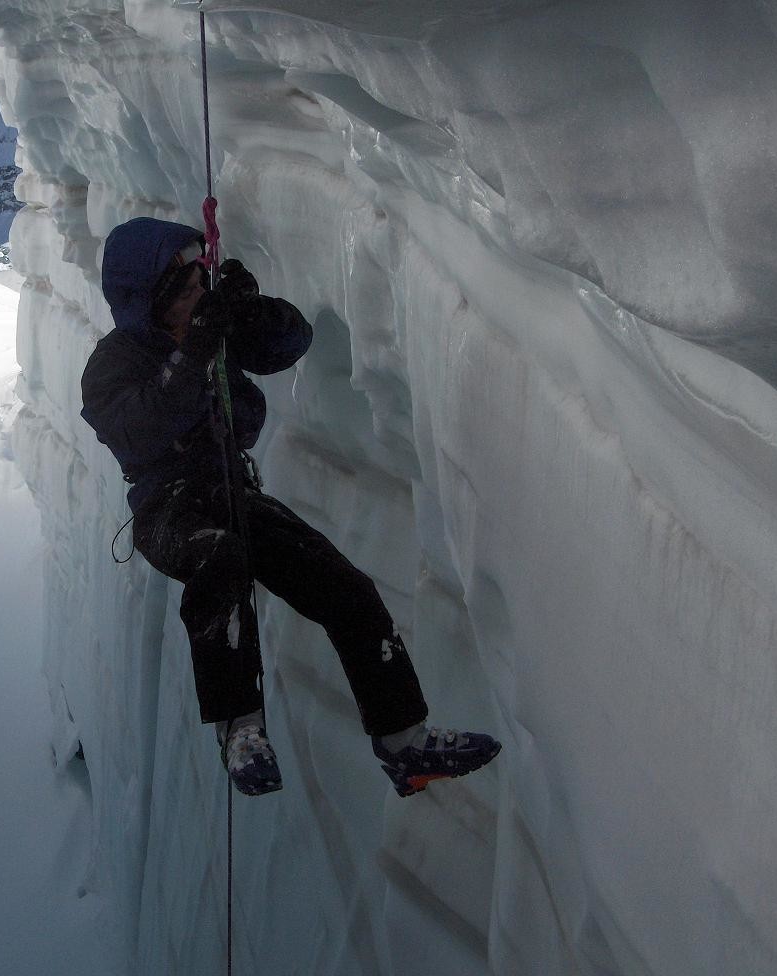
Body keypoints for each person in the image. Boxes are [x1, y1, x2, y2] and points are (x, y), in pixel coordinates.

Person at [80, 216, 500, 797]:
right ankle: (240, 729)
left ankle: (405, 742)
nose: (198, 290)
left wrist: (253, 312)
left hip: (232, 492)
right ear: (148, 299)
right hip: (169, 511)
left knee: (343, 586)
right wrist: (200, 346)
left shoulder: (208, 330)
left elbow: (287, 345)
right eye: (184, 286)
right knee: (218, 560)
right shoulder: (113, 363)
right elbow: (140, 429)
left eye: (200, 278)